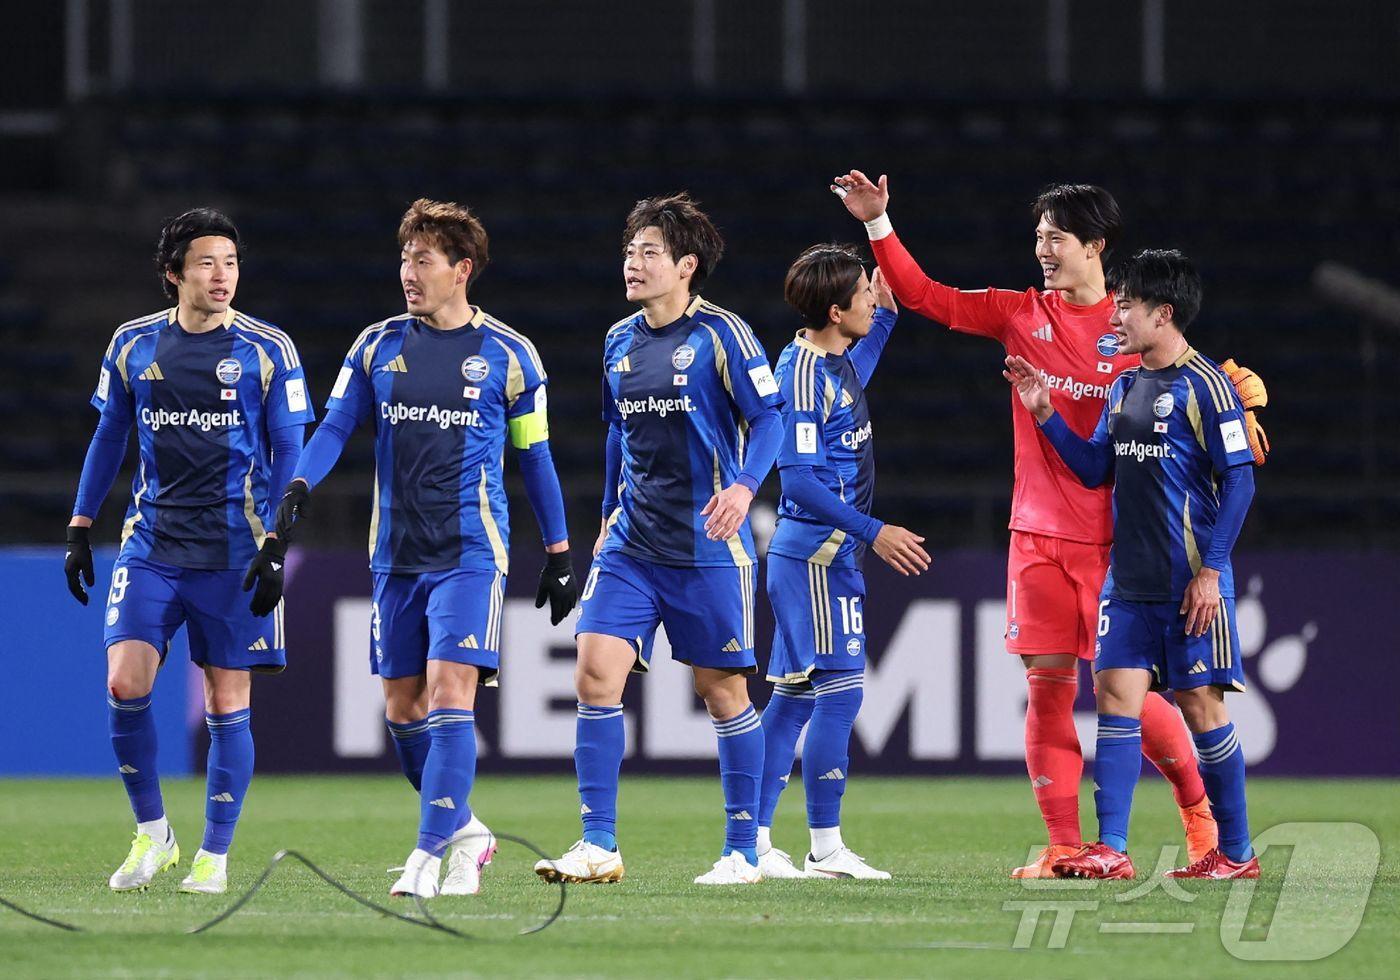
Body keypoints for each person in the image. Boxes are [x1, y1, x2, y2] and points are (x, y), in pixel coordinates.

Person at [832, 172, 1216, 877]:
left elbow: (1185, 386)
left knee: (1123, 691)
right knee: (1046, 684)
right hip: (1036, 533)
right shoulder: (1020, 313)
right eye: (1037, 236)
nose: (1042, 249)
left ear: (1095, 245)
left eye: (1056, 238)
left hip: (1120, 538)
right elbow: (924, 297)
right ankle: (1066, 845)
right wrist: (878, 223)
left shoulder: (1131, 324)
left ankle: (1200, 813)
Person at [270, 199, 577, 898]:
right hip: (395, 555)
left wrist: (559, 552)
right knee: (403, 709)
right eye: (404, 258)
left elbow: (535, 458)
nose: (409, 272)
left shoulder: (509, 356)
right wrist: (297, 484)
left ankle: (427, 855)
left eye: (423, 260)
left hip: (470, 551)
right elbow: (334, 425)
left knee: (448, 696)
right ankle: (467, 832)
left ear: (461, 270)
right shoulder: (375, 346)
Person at [533, 192, 783, 886]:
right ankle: (598, 843)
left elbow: (769, 421)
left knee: (721, 690)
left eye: (649, 253)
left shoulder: (723, 335)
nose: (633, 263)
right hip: (632, 543)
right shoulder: (618, 340)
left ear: (686, 266)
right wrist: (610, 507)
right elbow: (618, 431)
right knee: (593, 671)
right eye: (630, 251)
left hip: (707, 544)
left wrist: (743, 488)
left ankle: (742, 850)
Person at [64, 208, 313, 895]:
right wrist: (80, 526)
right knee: (124, 682)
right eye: (206, 263)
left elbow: (289, 446)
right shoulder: (133, 344)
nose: (221, 276)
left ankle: (214, 854)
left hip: (235, 550)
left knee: (227, 700)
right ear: (175, 274)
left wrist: (276, 545)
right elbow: (110, 435)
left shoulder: (268, 350)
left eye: (230, 263)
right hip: (152, 543)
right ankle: (154, 837)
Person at [1004, 248, 1260, 880]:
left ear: (1162, 313)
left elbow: (1242, 483)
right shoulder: (1123, 385)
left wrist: (1211, 573)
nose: (1115, 315)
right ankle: (1111, 847)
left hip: (1191, 581)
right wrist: (1045, 415)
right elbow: (1095, 469)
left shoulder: (1208, 387)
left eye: (1127, 306)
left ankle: (1236, 852)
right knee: (1115, 696)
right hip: (1129, 579)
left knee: (1202, 709)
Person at [756, 245, 930, 880]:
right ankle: (825, 848)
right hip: (815, 556)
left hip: (826, 556)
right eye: (862, 295)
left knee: (795, 699)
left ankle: (753, 840)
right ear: (834, 310)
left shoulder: (833, 364)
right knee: (839, 695)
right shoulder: (800, 375)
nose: (868, 299)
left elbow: (862, 362)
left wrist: (884, 313)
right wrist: (875, 530)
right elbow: (797, 483)